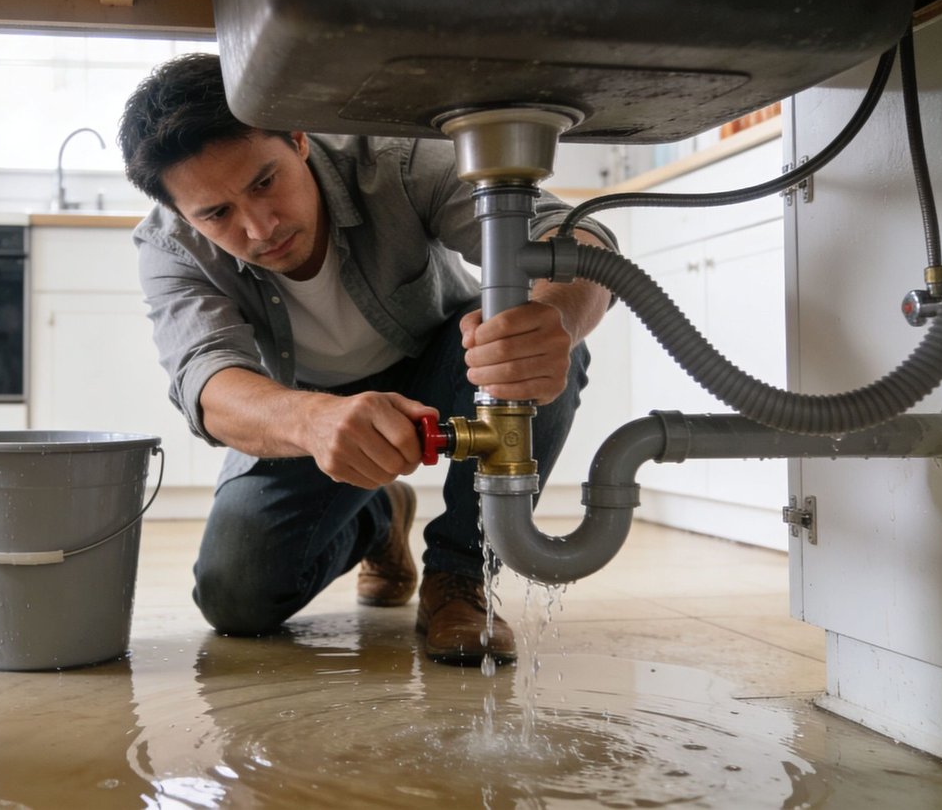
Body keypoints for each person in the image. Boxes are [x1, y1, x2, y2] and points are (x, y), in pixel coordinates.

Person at [118, 53, 616, 663]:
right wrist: (313, 421)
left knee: (526, 347)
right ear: (180, 211)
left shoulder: (393, 159)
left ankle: (460, 575)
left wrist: (558, 319)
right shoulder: (170, 247)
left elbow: (568, 235)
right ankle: (379, 519)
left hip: (445, 361)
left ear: (298, 138)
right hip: (307, 408)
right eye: (217, 214)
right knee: (235, 598)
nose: (260, 226)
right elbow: (209, 383)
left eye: (264, 182)